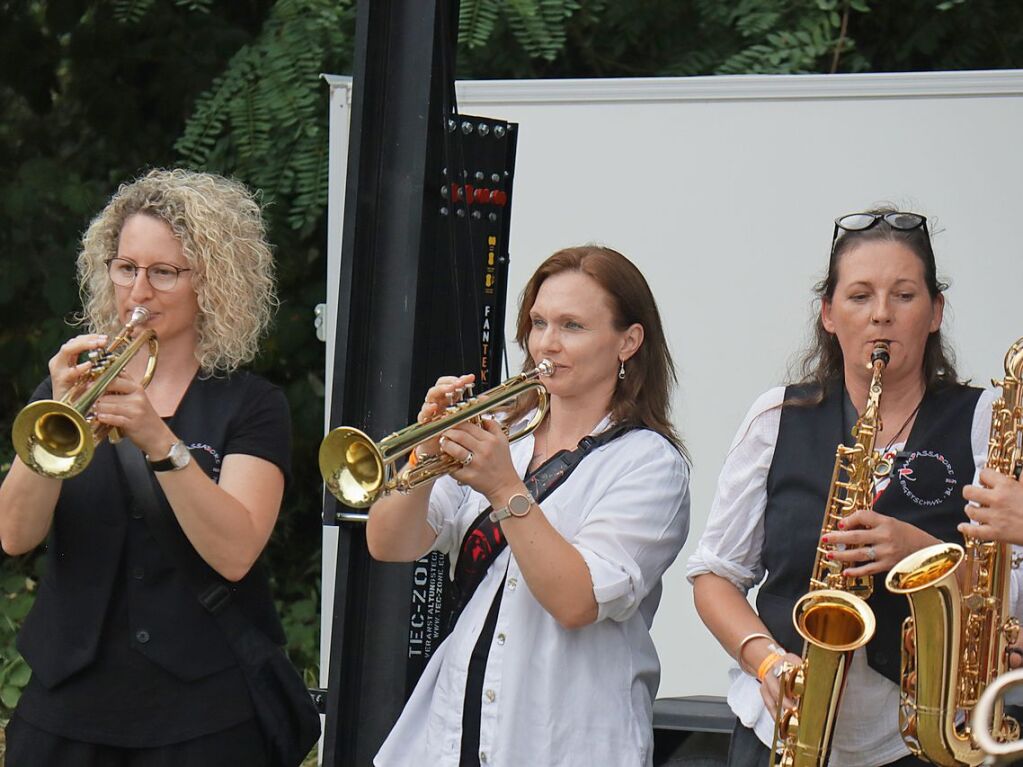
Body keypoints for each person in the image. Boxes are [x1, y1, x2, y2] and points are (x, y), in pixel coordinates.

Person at [687, 208, 1018, 767]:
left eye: (905, 296)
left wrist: (919, 551)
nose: (881, 316)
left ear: (936, 312)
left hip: (926, 735)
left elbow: (1004, 592)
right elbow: (715, 575)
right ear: (828, 314)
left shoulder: (983, 420)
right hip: (784, 729)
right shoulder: (776, 416)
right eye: (860, 296)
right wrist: (767, 661)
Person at [0, 169, 295, 766]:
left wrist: (160, 442)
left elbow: (236, 551)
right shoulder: (66, 392)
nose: (138, 292)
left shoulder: (252, 405)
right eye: (126, 268)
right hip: (66, 705)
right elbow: (14, 535)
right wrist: (53, 408)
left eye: (164, 272)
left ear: (213, 282)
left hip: (201, 717)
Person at [366, 245, 691, 767]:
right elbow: (388, 543)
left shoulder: (648, 464)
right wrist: (425, 451)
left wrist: (503, 489)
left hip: (563, 743)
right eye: (539, 323)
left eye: (572, 326)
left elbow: (576, 602)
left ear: (628, 342)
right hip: (451, 739)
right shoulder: (505, 440)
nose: (548, 343)